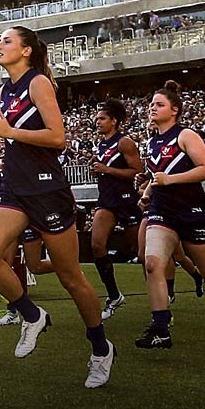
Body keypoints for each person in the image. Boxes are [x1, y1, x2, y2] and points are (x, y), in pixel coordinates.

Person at [0, 26, 115, 388]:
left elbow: (57, 137)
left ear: (25, 51)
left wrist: (10, 133)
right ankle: (31, 314)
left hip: (47, 189)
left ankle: (100, 347)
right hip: (13, 188)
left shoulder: (38, 83)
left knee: (71, 278)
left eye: (6, 41)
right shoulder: (5, 89)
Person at [135, 81, 205, 350]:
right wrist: (148, 191)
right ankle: (161, 327)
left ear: (174, 110)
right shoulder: (151, 142)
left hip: (193, 211)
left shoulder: (185, 135)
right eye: (151, 104)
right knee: (151, 263)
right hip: (162, 210)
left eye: (159, 104)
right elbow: (157, 175)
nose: (153, 108)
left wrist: (169, 180)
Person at [90, 99, 143, 320]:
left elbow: (137, 172)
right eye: (97, 118)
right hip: (107, 200)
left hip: (125, 200)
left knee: (141, 251)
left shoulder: (124, 143)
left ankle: (170, 288)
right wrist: (98, 170)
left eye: (102, 118)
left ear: (114, 121)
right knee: (96, 244)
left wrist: (107, 170)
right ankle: (114, 296)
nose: (97, 121)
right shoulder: (101, 144)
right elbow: (106, 169)